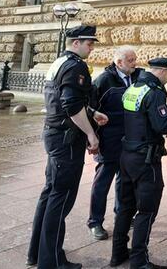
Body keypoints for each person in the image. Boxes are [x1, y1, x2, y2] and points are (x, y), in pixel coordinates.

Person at [27, 25, 106, 269]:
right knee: (60, 199)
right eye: (89, 43)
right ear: (75, 43)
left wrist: (92, 112)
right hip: (66, 140)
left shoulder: (59, 62)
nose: (92, 48)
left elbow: (63, 100)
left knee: (50, 193)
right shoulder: (75, 66)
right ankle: (51, 261)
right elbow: (71, 106)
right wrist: (91, 134)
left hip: (54, 135)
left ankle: (37, 254)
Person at [110, 57, 167, 269]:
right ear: (162, 70)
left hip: (126, 156)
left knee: (125, 207)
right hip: (146, 160)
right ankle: (139, 261)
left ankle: (119, 253)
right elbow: (163, 126)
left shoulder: (134, 87)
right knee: (146, 210)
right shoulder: (155, 92)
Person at [87, 46, 142, 240]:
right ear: (119, 62)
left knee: (124, 180)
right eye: (131, 60)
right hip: (108, 141)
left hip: (128, 140)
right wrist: (91, 139)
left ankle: (122, 215)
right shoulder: (104, 80)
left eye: (135, 59)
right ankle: (95, 222)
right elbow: (90, 110)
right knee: (102, 182)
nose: (135, 63)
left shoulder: (137, 77)